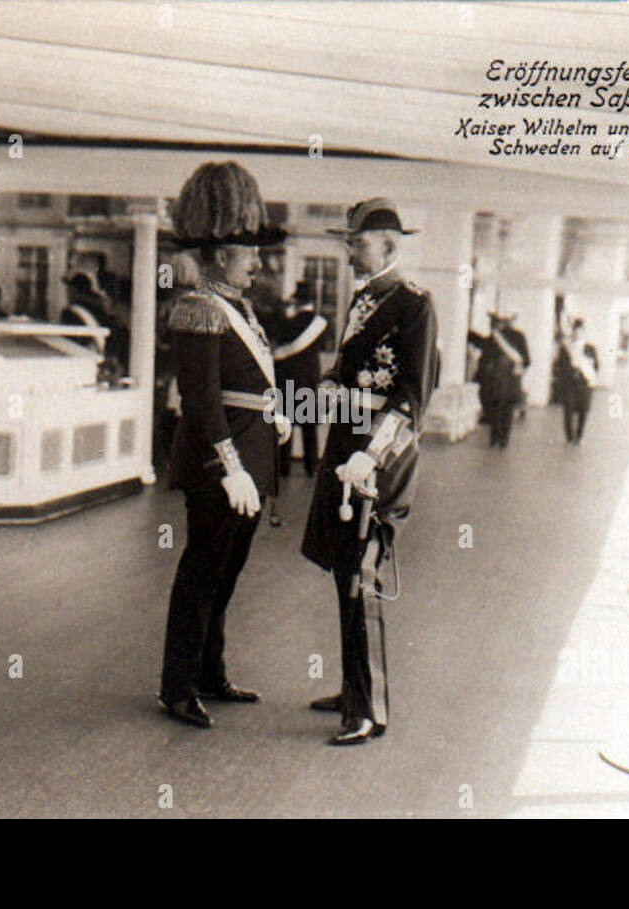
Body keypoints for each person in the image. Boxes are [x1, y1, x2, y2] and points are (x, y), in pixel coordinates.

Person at [158, 161, 290, 730]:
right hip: (222, 465)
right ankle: (177, 685)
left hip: (252, 459)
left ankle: (210, 673)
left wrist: (275, 413)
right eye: (248, 252)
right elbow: (201, 399)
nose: (258, 261)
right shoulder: (197, 307)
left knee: (228, 573)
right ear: (216, 255)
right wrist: (228, 467)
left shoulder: (238, 307)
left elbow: (246, 383)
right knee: (202, 574)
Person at [301, 198, 438, 746]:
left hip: (380, 456)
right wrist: (315, 398)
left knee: (364, 574)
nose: (349, 250)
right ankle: (353, 687)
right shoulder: (362, 298)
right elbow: (346, 371)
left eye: (356, 242)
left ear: (389, 246)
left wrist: (371, 454)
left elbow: (412, 397)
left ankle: (369, 708)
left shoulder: (414, 305)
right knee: (344, 569)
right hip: (346, 447)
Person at [271, 280, 328, 476]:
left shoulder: (287, 322)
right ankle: (311, 466)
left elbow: (277, 346)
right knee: (309, 427)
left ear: (296, 301)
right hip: (309, 379)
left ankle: (283, 467)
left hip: (286, 379)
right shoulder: (321, 323)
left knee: (285, 423)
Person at [468, 312, 530, 448]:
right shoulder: (518, 337)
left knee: (496, 408)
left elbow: (484, 352)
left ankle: (496, 437)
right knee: (506, 409)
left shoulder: (496, 337)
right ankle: (502, 439)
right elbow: (526, 360)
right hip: (510, 381)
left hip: (496, 381)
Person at [553, 318, 598, 445]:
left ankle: (579, 436)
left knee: (583, 411)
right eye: (576, 331)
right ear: (573, 333)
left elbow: (596, 367)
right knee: (568, 411)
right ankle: (569, 437)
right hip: (569, 383)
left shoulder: (590, 348)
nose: (578, 334)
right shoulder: (566, 348)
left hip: (584, 384)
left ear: (584, 332)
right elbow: (559, 365)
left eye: (580, 331)